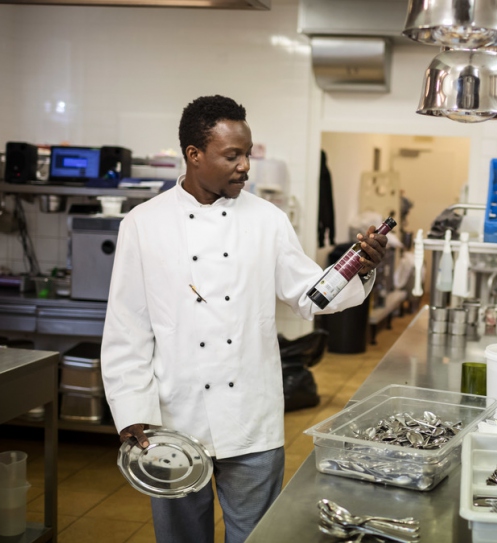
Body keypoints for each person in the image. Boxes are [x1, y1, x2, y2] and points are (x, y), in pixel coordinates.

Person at [101, 95, 388, 543]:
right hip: (175, 419)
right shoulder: (144, 223)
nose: (245, 167)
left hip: (251, 418)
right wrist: (132, 411)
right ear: (194, 155)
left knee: (257, 536)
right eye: (232, 155)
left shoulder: (267, 221)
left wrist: (360, 267)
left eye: (247, 153)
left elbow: (310, 297)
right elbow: (127, 328)